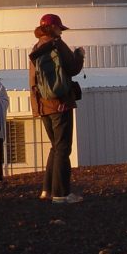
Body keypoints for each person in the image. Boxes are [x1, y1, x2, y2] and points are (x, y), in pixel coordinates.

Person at [28, 13, 85, 204]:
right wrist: (79, 55)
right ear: (53, 28)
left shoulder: (36, 48)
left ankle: (47, 190)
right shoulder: (56, 44)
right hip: (60, 103)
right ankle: (61, 194)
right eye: (60, 28)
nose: (61, 31)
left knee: (55, 147)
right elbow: (72, 68)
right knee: (63, 148)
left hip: (42, 105)